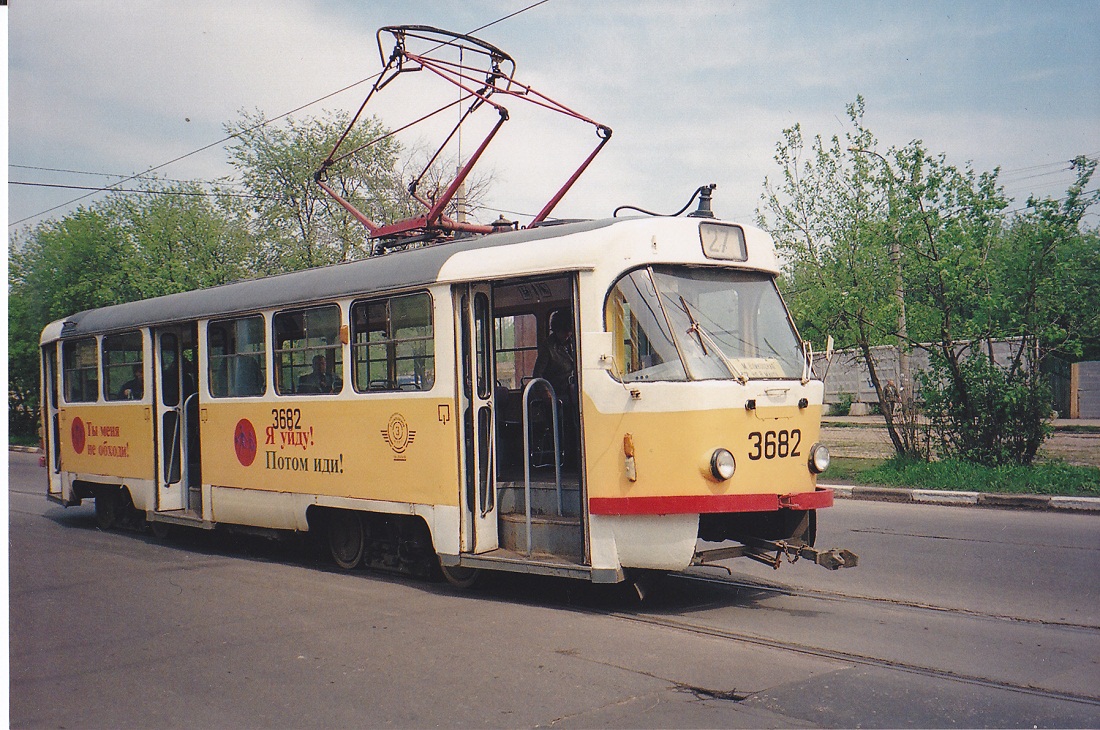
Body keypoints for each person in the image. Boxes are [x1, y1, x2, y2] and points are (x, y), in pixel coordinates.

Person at [533, 310, 579, 468]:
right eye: (564, 331)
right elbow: (538, 375)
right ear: (556, 330)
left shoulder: (574, 344)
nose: (567, 335)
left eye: (569, 331)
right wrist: (547, 394)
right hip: (557, 394)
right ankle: (568, 461)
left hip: (575, 393)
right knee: (566, 423)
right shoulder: (548, 347)